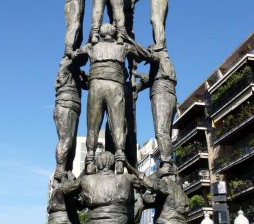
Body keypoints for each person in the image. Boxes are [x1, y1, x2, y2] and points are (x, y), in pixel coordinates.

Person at [72, 23, 152, 174]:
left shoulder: (91, 47)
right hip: (115, 86)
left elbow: (75, 58)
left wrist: (90, 38)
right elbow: (145, 55)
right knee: (117, 124)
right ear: (114, 33)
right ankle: (120, 161)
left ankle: (89, 161)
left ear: (101, 34)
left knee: (92, 125)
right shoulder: (123, 46)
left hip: (96, 85)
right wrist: (127, 38)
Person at [135, 49, 177, 172]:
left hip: (161, 95)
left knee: (161, 132)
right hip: (168, 95)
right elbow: (151, 79)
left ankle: (166, 163)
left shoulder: (160, 58)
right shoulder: (162, 66)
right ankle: (168, 162)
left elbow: (148, 56)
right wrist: (137, 75)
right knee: (165, 133)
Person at [53, 56, 88, 177]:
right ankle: (60, 173)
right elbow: (80, 57)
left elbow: (87, 84)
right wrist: (90, 40)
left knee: (72, 146)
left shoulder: (76, 70)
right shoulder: (67, 63)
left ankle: (67, 173)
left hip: (73, 107)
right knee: (66, 141)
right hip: (65, 105)